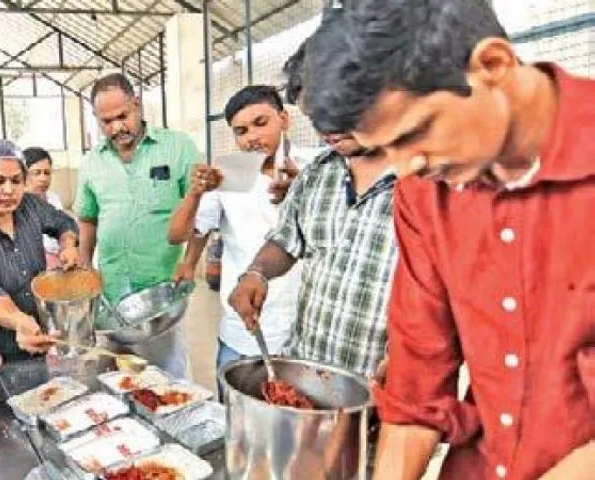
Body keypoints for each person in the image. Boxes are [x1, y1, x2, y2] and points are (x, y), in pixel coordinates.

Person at [303, 1, 595, 478]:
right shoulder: (424, 194)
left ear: (492, 65)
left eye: (417, 132)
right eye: (385, 148)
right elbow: (416, 389)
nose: (405, 166)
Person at [228, 37, 398, 380]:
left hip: (382, 391)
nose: (326, 130)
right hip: (306, 374)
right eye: (315, 117)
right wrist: (256, 272)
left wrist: (414, 357)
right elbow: (287, 239)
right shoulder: (318, 173)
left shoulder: (428, 181)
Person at [167, 86, 303, 393]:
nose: (251, 137)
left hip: (300, 325)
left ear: (283, 119)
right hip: (241, 327)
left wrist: (302, 190)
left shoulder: (314, 166)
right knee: (233, 416)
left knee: (293, 418)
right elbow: (183, 232)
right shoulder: (230, 173)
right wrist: (195, 193)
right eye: (240, 131)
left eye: (261, 123)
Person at [75, 73, 201, 379]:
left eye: (123, 116)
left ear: (137, 105)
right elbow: (88, 217)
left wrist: (190, 262)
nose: (117, 127)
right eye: (106, 121)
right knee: (119, 381)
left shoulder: (177, 147)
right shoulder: (92, 162)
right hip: (113, 292)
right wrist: (84, 265)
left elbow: (203, 211)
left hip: (161, 292)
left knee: (169, 383)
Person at [0, 139, 81, 363]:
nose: (9, 190)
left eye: (16, 181)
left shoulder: (29, 206)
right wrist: (17, 319)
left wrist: (68, 246)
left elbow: (63, 222)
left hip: (30, 338)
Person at [23, 147, 66, 269]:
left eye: (47, 173)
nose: (43, 178)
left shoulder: (53, 199)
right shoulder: (16, 205)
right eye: (37, 173)